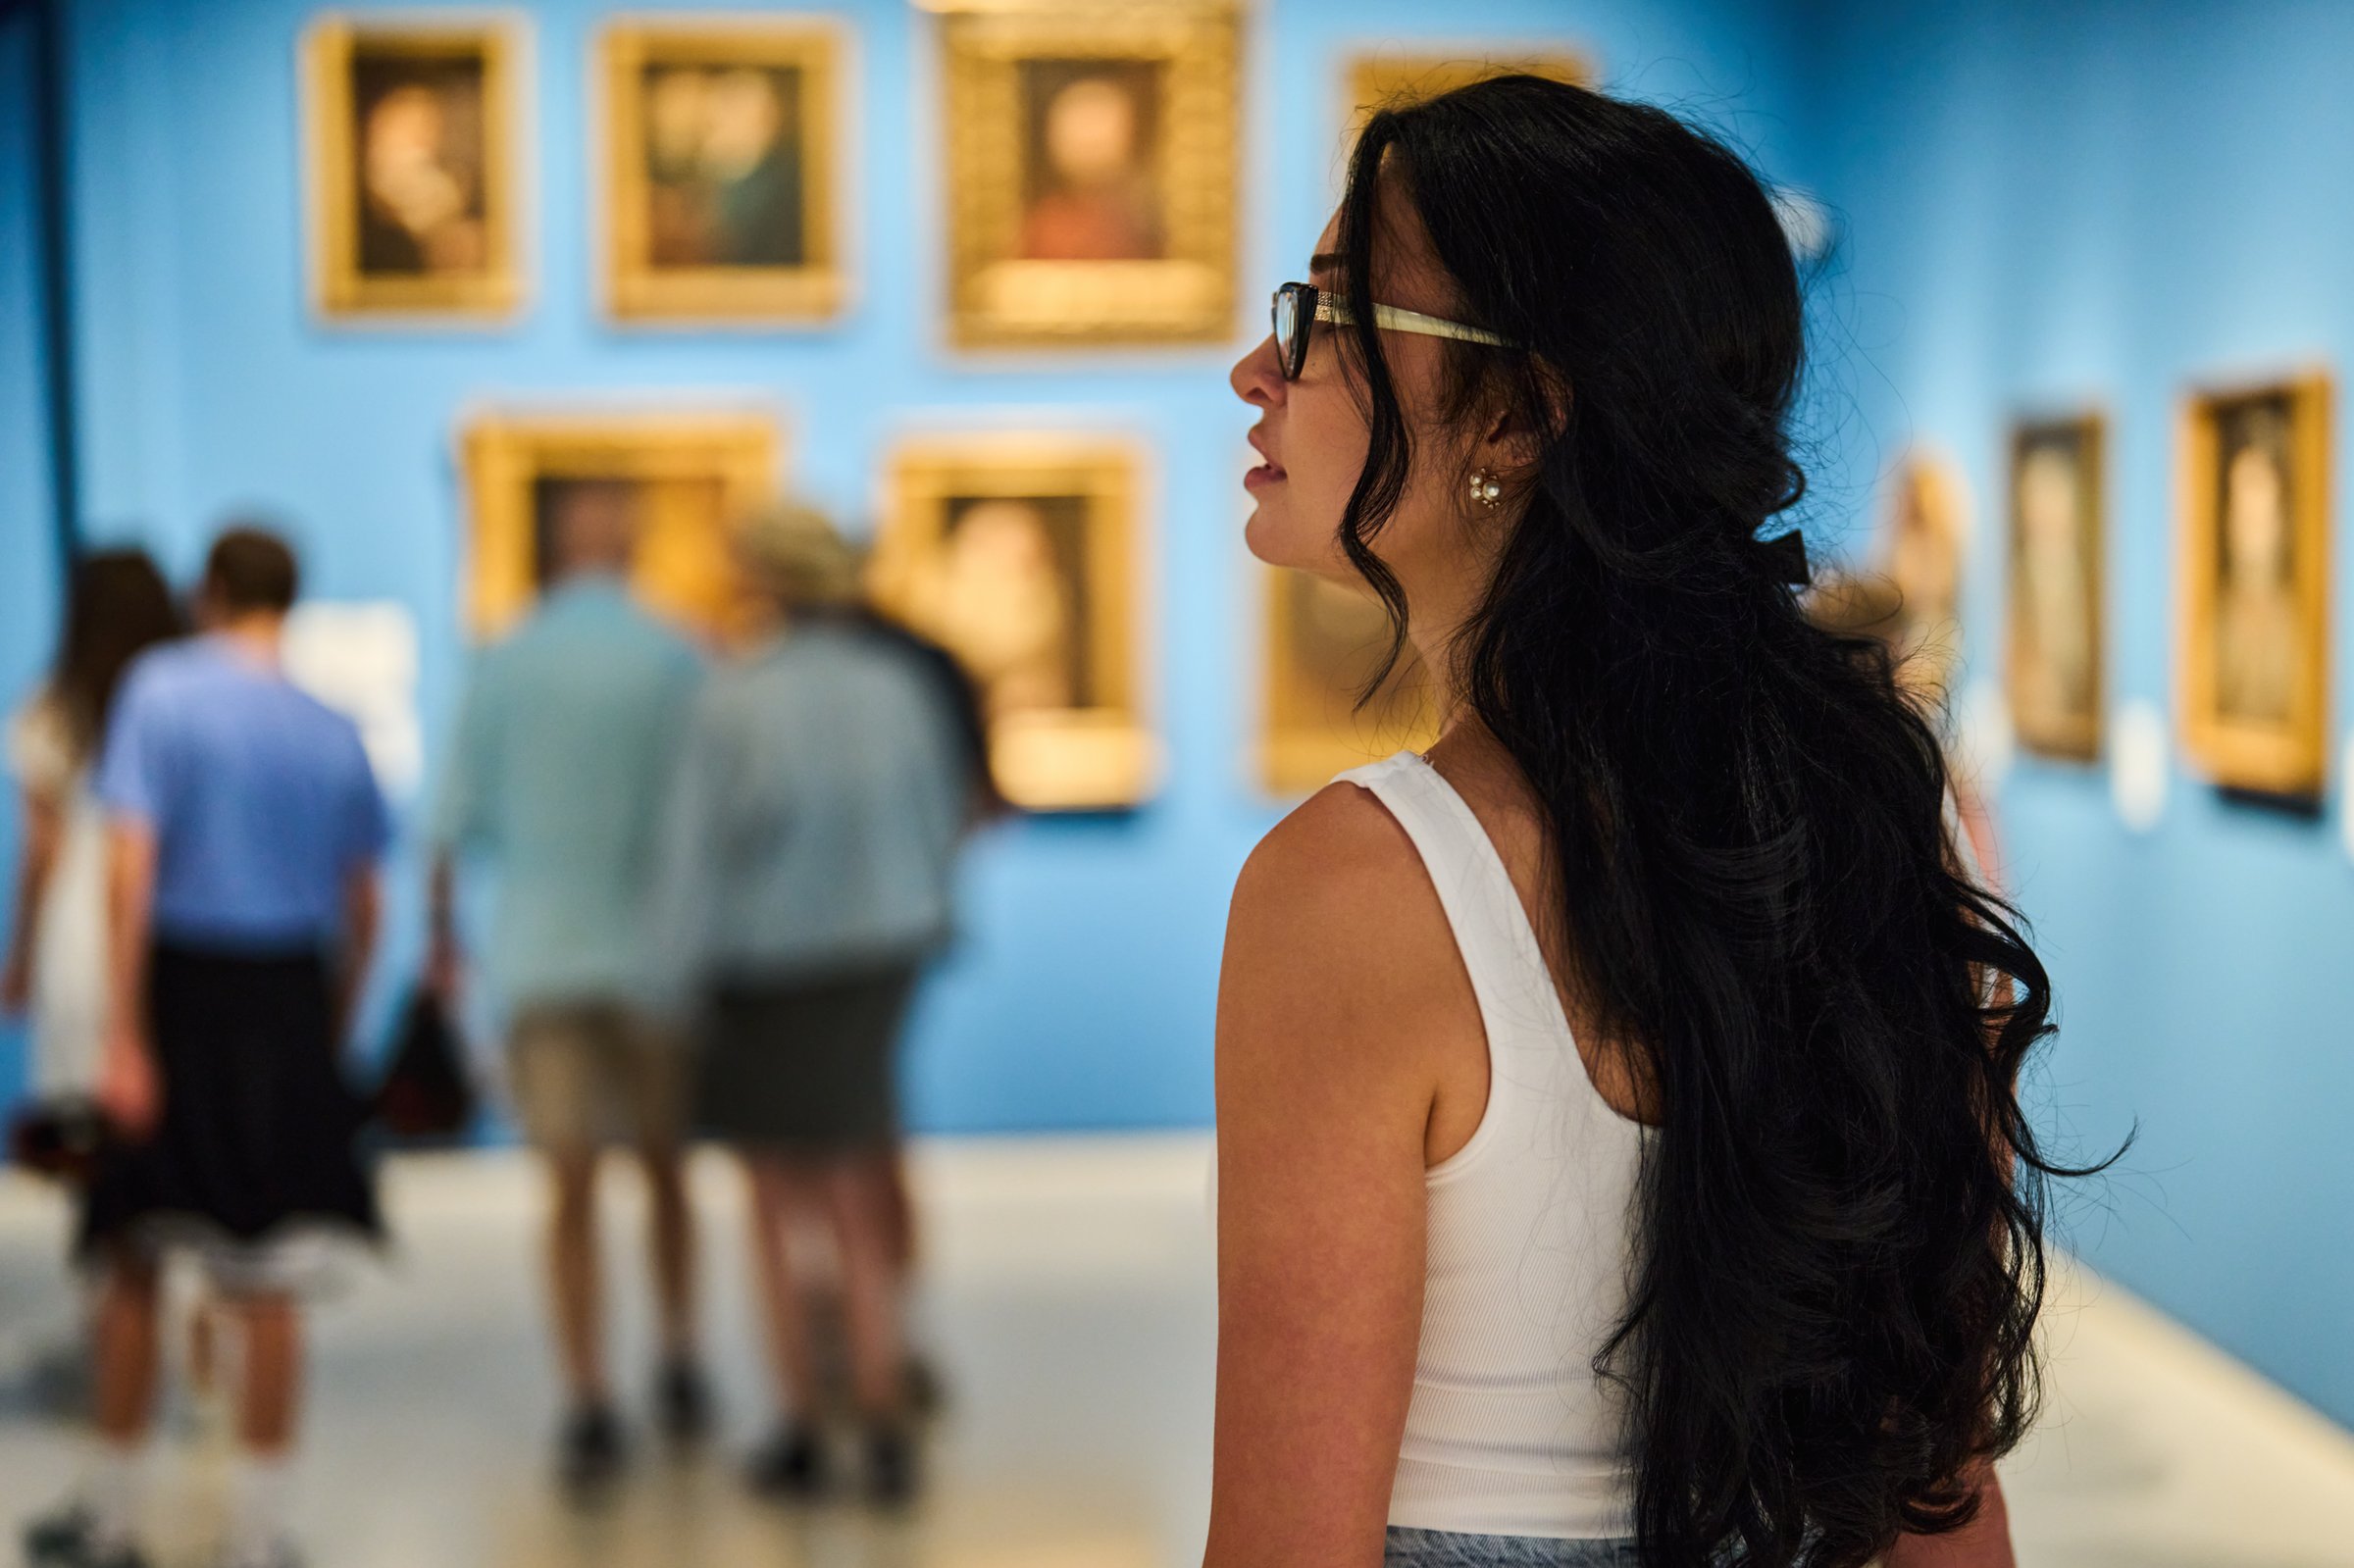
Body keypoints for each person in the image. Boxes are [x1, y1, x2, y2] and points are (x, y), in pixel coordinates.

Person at [1208, 76, 2069, 1568]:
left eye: (1328, 313)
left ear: (1525, 412)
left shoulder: (1353, 887)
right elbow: (1940, 1488)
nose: (1255, 368)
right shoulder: (1867, 805)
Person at [24, 526, 391, 1568]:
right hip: (286, 992)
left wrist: (126, 1034)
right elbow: (366, 905)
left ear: (211, 591)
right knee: (271, 1274)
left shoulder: (164, 696)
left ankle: (114, 1512)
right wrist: (332, 1025)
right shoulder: (333, 725)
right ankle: (263, 1530)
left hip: (188, 984)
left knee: (133, 1253)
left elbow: (129, 869)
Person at [654, 502, 977, 1505]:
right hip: (879, 960)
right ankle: (883, 1415)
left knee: (773, 1199)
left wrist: (666, 983)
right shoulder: (896, 689)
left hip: (767, 970)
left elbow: (698, 853)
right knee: (855, 1188)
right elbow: (940, 823)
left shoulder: (735, 699)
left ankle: (802, 1420)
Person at [426, 481, 708, 1493]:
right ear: (628, 547)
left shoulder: (507, 659)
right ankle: (679, 1357)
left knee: (570, 1187)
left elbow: (452, 820)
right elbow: (707, 815)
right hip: (658, 962)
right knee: (668, 1172)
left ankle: (590, 1393)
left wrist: (441, 947)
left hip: (543, 954)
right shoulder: (677, 656)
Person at [2, 551, 181, 1408]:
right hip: (171, 930)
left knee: (93, 1148)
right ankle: (194, 1348)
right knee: (178, 1147)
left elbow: (40, 854)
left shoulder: (51, 714)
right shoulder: (180, 704)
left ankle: (109, 1342)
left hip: (79, 936)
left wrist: (19, 954)